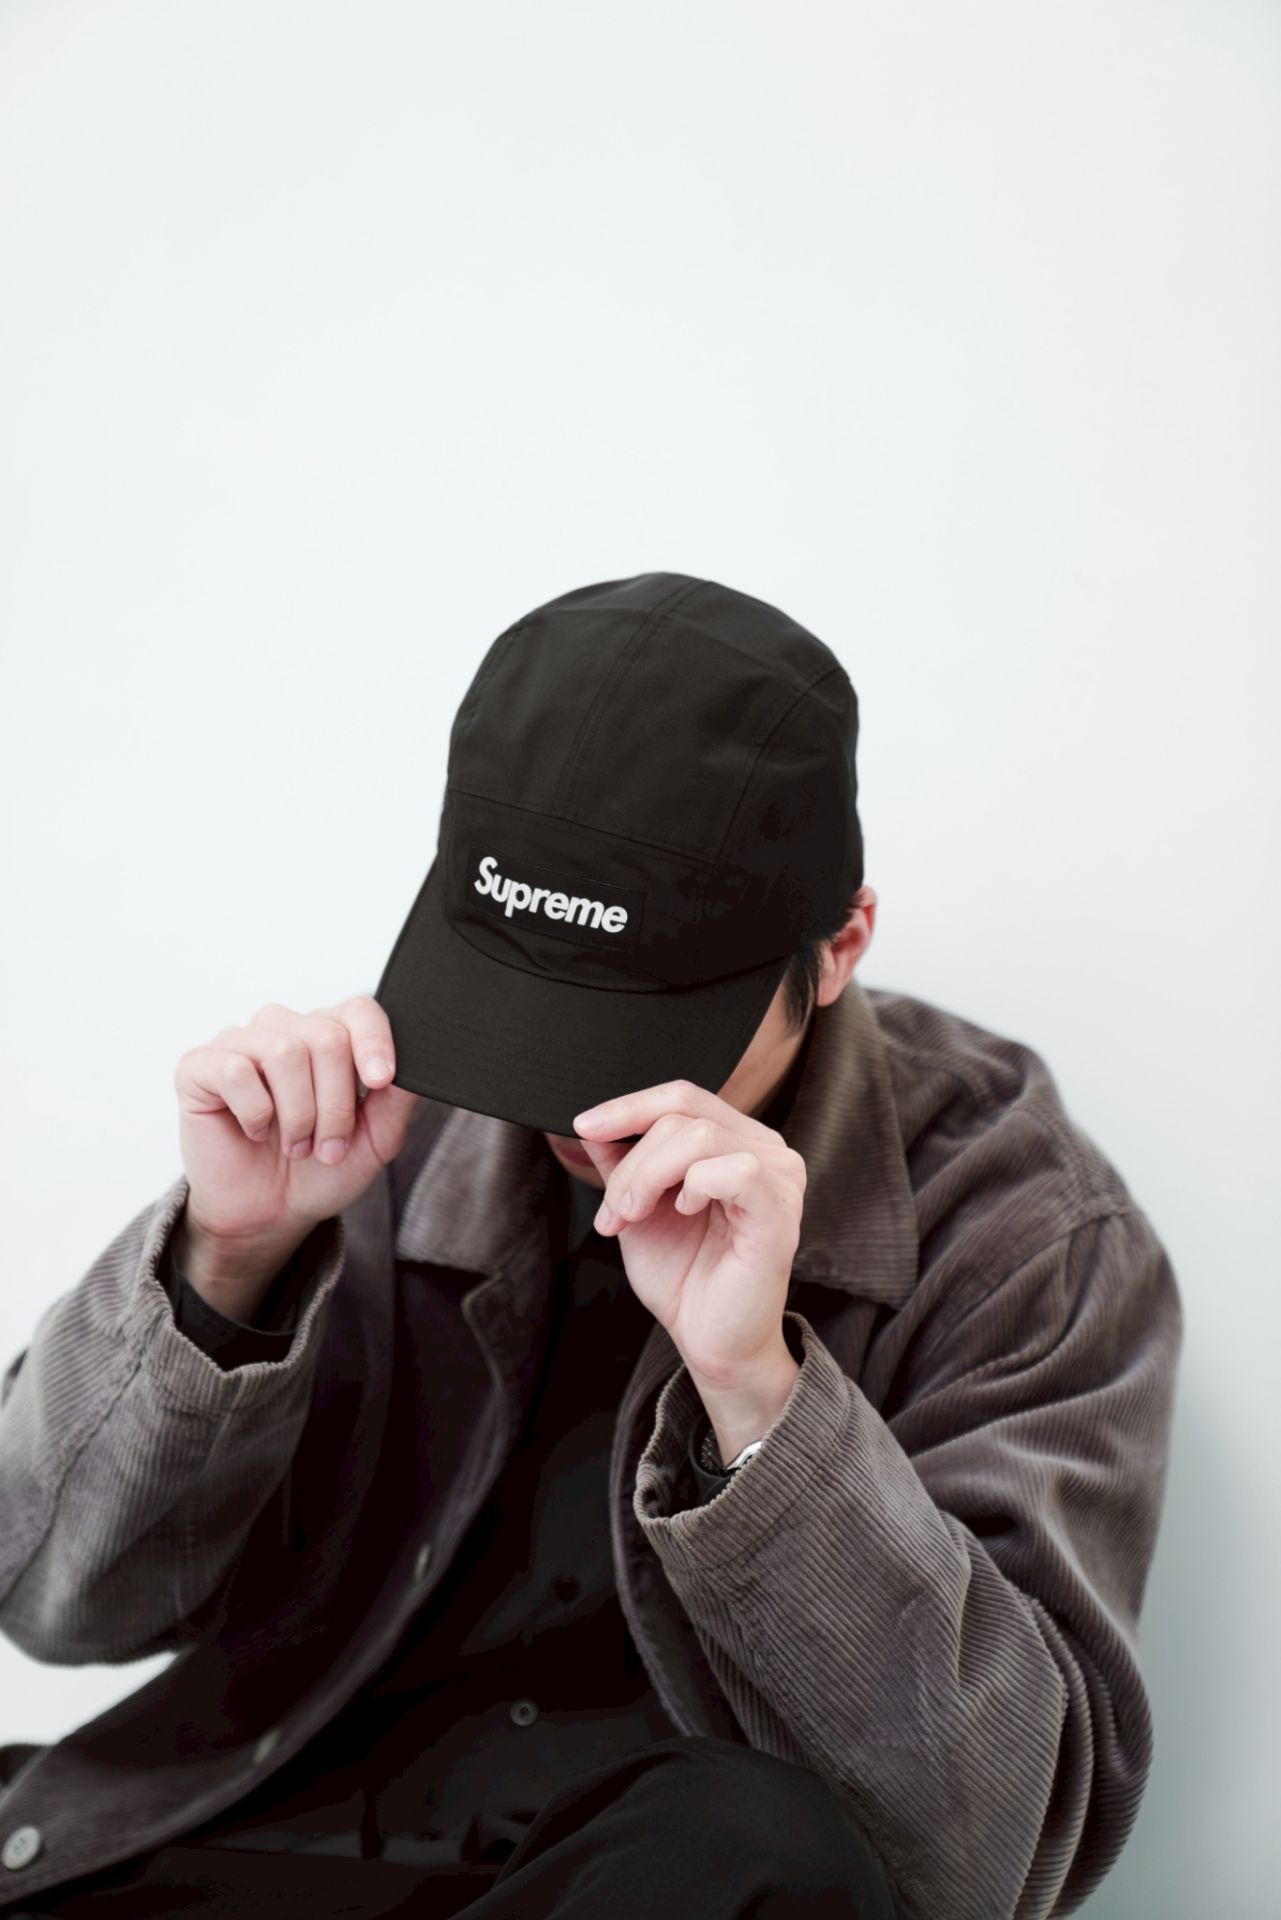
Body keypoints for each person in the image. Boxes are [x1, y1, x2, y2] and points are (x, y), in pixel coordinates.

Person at [0, 573, 1183, 1920]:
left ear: (840, 943)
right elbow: (50, 1607)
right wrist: (227, 1265)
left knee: (750, 1841)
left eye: (639, 1027)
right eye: (527, 1008)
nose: (566, 1099)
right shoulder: (380, 1115)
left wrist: (759, 1400)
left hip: (647, 1892)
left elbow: (991, 1847)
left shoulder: (1026, 1231)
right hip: (253, 1843)